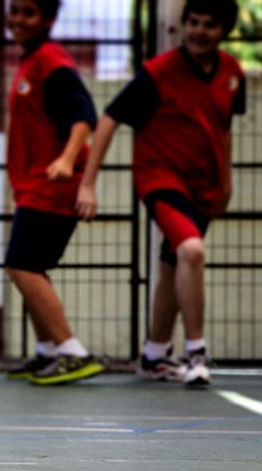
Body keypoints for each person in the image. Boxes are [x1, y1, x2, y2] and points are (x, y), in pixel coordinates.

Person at [79, 0, 243, 388]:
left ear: (224, 31)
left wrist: (226, 181)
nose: (199, 31)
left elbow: (224, 129)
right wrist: (88, 182)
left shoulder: (233, 74)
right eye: (193, 23)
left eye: (209, 25)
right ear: (184, 25)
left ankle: (154, 354)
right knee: (192, 251)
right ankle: (197, 352)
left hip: (205, 185)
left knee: (174, 263)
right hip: (162, 180)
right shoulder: (158, 73)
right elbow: (108, 119)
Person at [2, 0, 103, 385]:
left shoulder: (52, 63)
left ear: (47, 19)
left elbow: (84, 116)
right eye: (14, 12)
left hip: (54, 184)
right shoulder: (33, 61)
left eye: (28, 13)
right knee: (30, 266)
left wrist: (65, 160)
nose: (18, 20)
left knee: (22, 265)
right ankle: (46, 352)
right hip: (34, 185)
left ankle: (71, 350)